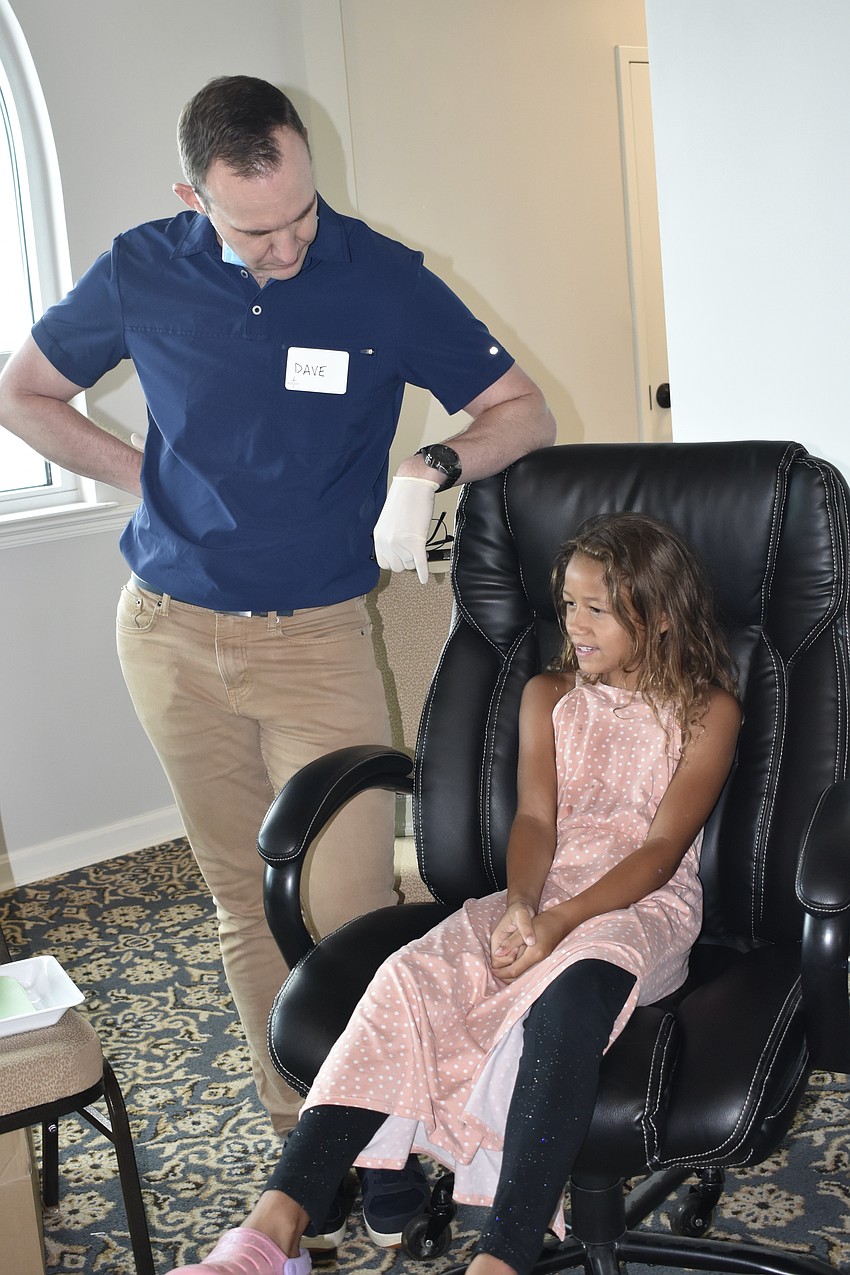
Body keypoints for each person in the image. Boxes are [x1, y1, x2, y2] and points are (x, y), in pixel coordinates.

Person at [0, 70, 555, 1180]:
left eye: (301, 214)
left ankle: (390, 1118)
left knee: (344, 904)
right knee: (240, 895)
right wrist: (149, 482)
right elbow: (24, 392)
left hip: (315, 641)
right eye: (256, 230)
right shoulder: (140, 269)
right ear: (192, 197)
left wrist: (428, 463)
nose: (288, 247)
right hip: (166, 634)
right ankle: (299, 1124)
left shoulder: (385, 279)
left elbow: (522, 413)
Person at [164, 511, 742, 1275]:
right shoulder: (548, 694)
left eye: (597, 607)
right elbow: (536, 817)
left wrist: (563, 920)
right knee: (410, 977)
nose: (574, 622)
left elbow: (664, 849)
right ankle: (272, 1230)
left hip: (638, 907)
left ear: (660, 614)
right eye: (568, 604)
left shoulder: (706, 711)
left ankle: (502, 1255)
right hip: (543, 889)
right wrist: (522, 906)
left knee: (568, 998)